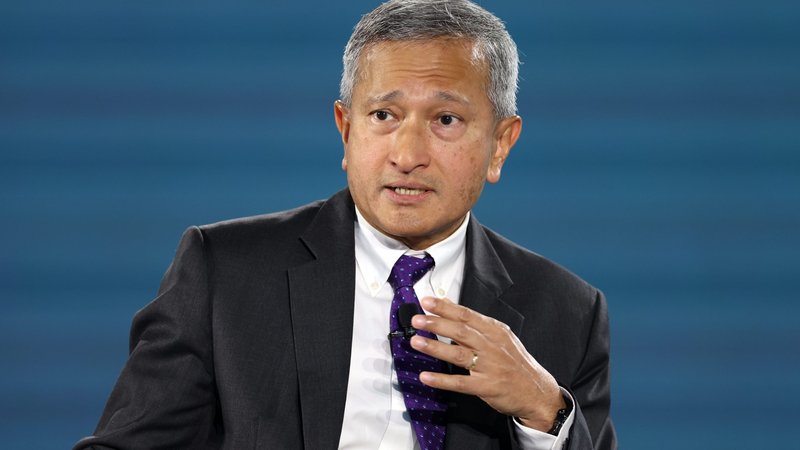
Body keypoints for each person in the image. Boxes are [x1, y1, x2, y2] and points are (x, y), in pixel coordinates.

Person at [74, 1, 616, 449]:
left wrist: (544, 409)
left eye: (445, 120)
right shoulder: (225, 272)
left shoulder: (568, 313)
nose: (407, 154)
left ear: (500, 143)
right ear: (346, 129)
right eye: (384, 116)